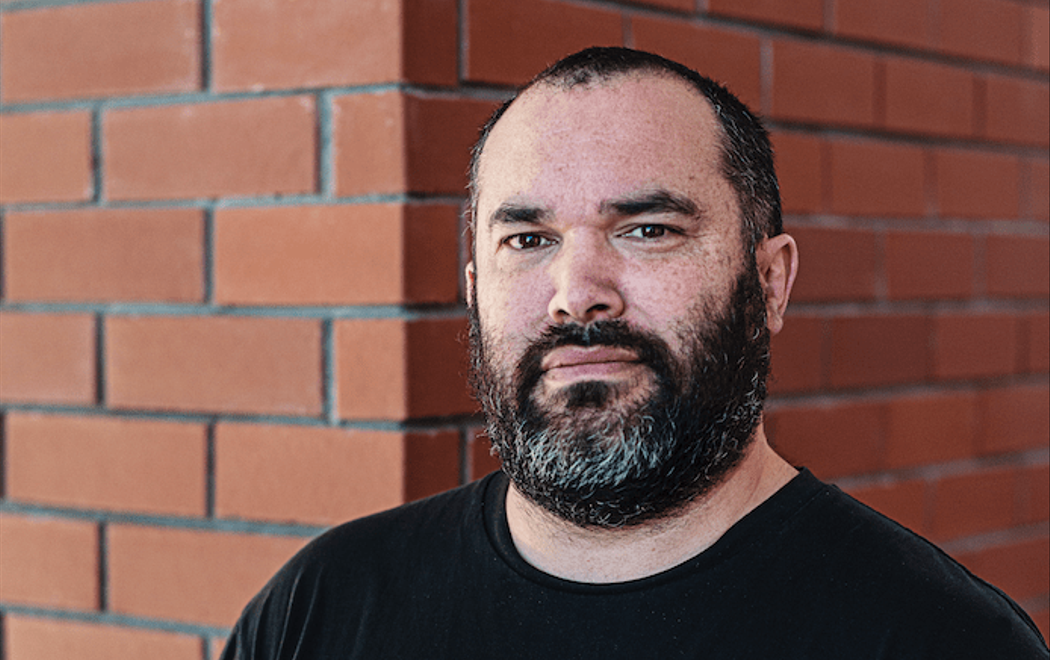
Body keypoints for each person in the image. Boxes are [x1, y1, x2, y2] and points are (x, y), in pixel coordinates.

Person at [221, 47, 1048, 659]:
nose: (577, 291)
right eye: (529, 237)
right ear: (474, 287)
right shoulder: (321, 609)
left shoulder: (942, 640)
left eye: (647, 230)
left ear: (770, 283)